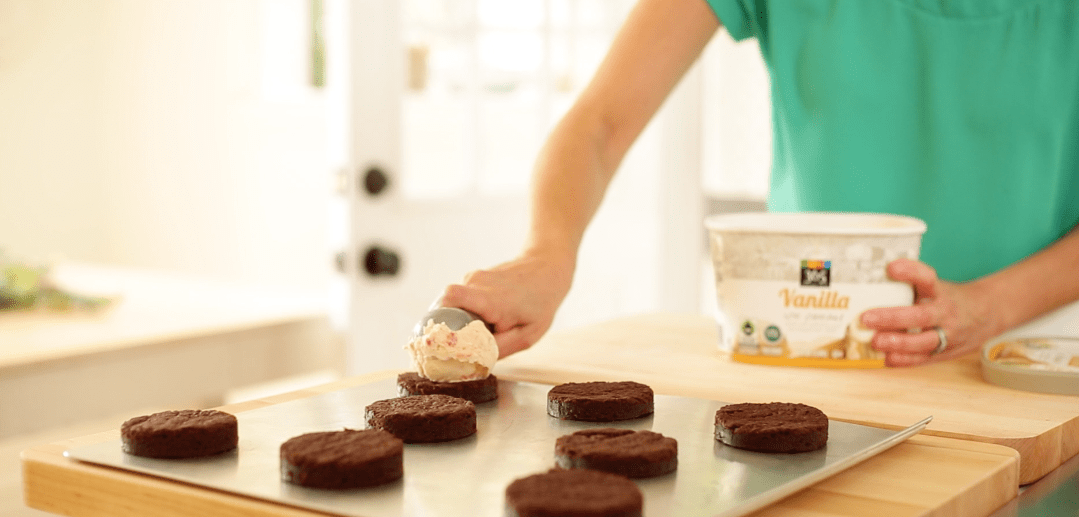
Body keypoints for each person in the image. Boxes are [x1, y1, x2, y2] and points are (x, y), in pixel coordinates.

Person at [439, 0, 1079, 368]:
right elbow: (599, 123)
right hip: (800, 342)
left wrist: (991, 307)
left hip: (1037, 354)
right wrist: (547, 254)